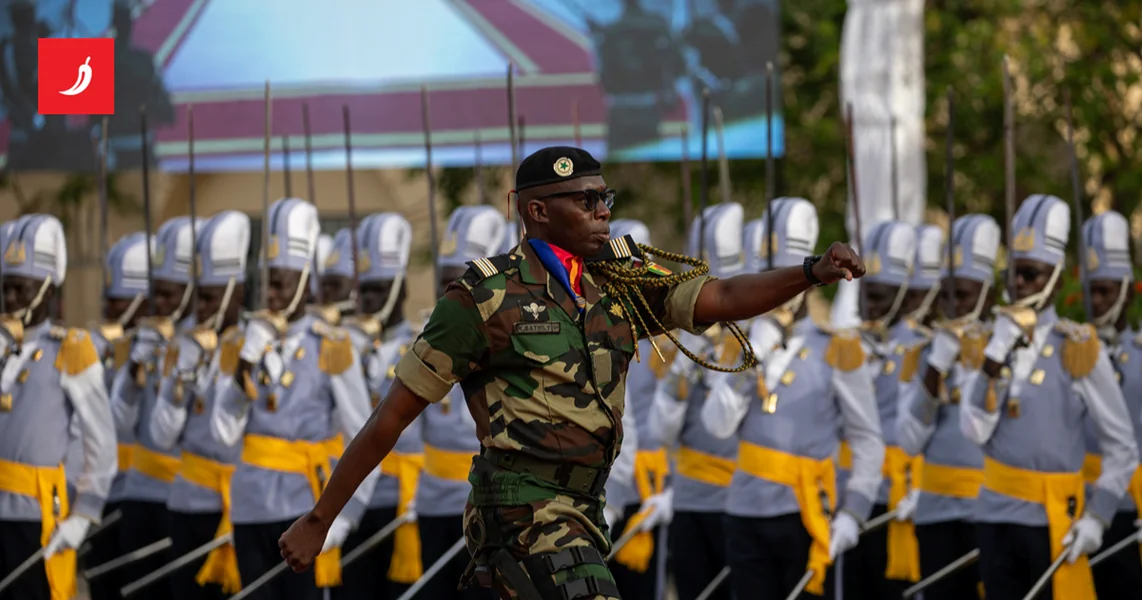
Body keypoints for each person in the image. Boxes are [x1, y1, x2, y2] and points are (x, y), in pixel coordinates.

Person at [277, 146, 865, 600]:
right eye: (585, 201)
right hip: (523, 509)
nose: (603, 210)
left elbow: (725, 296)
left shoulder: (620, 279)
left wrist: (810, 273)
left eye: (604, 196)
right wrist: (319, 518)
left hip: (584, 505)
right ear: (537, 211)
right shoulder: (482, 299)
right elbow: (390, 417)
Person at [703, 198, 884, 600]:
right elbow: (716, 425)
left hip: (808, 514)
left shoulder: (837, 347)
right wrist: (750, 360)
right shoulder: (740, 344)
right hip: (744, 511)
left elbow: (867, 438)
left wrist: (854, 511)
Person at [960, 194, 1139, 599]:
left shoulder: (1077, 346)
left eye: (1032, 274)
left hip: (1052, 520)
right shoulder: (987, 343)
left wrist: (1098, 516)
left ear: (1057, 281)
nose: (1019, 284)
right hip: (992, 515)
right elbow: (973, 430)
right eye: (1013, 274)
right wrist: (994, 356)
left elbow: (1122, 447)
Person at [210, 197, 377, 600]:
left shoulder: (331, 343)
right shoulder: (240, 343)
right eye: (265, 283)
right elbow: (222, 434)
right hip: (249, 506)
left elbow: (364, 434)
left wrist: (345, 516)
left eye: (280, 283)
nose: (270, 294)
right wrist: (244, 368)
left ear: (304, 280)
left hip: (306, 510)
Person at [0, 214, 116, 600]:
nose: (10, 299)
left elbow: (101, 443)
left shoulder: (70, 348)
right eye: (5, 288)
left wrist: (83, 516)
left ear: (48, 290)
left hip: (35, 515)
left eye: (21, 289)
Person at [895, 214, 1000, 600]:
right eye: (947, 296)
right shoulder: (922, 354)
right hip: (936, 510)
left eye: (965, 295)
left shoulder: (1007, 351)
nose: (954, 306)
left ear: (989, 296)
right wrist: (936, 367)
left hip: (990, 508)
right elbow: (909, 439)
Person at [150, 210, 251, 599]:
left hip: (241, 501)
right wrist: (182, 374)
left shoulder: (254, 346)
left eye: (210, 298)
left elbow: (229, 435)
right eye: (198, 297)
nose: (201, 309)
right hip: (187, 499)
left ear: (237, 294)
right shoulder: (184, 344)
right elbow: (162, 435)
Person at [649, 202, 747, 600]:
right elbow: (661, 428)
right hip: (688, 499)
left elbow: (724, 424)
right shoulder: (683, 345)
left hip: (738, 501)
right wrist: (685, 365)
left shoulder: (753, 342)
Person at [330, 212, 425, 600]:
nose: (368, 301)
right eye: (363, 291)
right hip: (354, 493)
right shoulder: (344, 343)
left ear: (401, 290)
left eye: (379, 290)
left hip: (403, 498)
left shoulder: (422, 343)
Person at [414, 205, 505, 600]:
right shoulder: (426, 343)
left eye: (461, 283)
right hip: (434, 502)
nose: (451, 295)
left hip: (496, 508)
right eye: (445, 283)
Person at [111, 216, 200, 591]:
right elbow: (120, 422)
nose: (159, 304)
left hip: (186, 493)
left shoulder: (208, 344)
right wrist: (135, 366)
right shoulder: (143, 339)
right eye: (155, 294)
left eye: (169, 294)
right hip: (140, 487)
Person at [834, 220, 921, 599]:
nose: (868, 306)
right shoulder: (844, 345)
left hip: (897, 495)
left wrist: (923, 485)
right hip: (847, 488)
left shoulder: (920, 348)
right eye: (865, 294)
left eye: (880, 297)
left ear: (903, 296)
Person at [602, 218, 669, 600]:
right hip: (603, 484)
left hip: (651, 488)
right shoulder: (595, 329)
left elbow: (681, 421)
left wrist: (674, 489)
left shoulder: (670, 339)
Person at [1077, 210, 1142, 598]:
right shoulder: (1072, 354)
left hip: (1134, 508)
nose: (1097, 301)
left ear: (1127, 291)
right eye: (1091, 292)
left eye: (1105, 291)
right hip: (1083, 509)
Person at [83, 231, 149, 600]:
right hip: (103, 489)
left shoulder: (159, 349)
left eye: (118, 301)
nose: (109, 309)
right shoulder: (104, 345)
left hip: (141, 491)